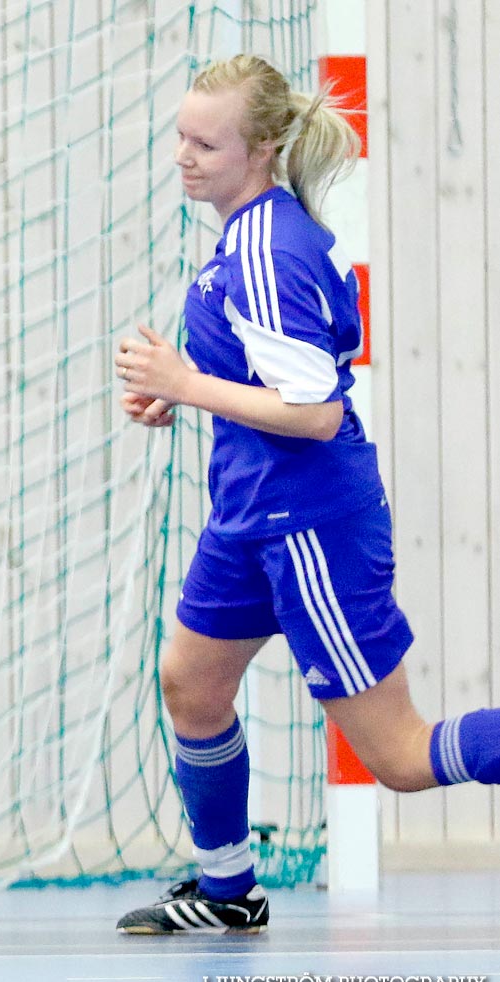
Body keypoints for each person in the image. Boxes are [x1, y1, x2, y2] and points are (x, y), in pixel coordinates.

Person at [113, 53, 500, 934]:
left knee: (400, 758)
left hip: (309, 526)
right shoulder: (241, 235)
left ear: (259, 152)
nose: (182, 156)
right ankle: (228, 892)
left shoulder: (267, 252)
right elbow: (260, 380)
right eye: (179, 135)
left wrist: (184, 380)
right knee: (190, 686)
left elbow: (317, 412)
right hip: (248, 517)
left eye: (204, 144)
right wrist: (177, 390)